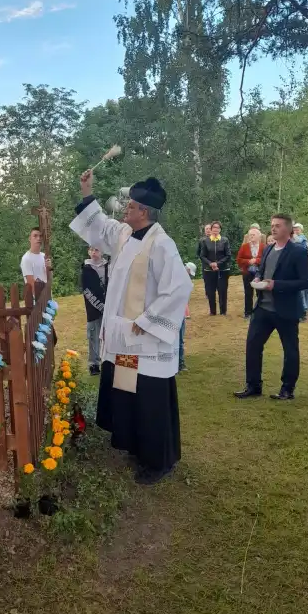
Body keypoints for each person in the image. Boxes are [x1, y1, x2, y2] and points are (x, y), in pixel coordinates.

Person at [70, 170, 192, 485]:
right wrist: (87, 192)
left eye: (132, 207)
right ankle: (137, 446)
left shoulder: (162, 245)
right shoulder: (124, 234)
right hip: (124, 339)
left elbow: (178, 289)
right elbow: (98, 226)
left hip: (146, 341)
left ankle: (159, 460)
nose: (126, 210)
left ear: (145, 212)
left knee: (150, 402)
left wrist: (147, 321)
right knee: (128, 393)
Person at [235, 214, 308, 401]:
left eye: (277, 225)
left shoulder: (298, 251)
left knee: (290, 350)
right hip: (263, 307)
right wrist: (257, 278)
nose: (273, 228)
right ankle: (253, 386)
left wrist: (276, 285)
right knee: (253, 345)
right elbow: (262, 271)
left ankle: (287, 389)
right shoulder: (269, 248)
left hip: (285, 310)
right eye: (272, 225)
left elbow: (305, 281)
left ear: (288, 228)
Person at [81, 247, 109, 376]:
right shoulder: (86, 269)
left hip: (110, 308)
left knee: (109, 336)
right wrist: (100, 306)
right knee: (93, 336)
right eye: (91, 250)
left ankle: (108, 362)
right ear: (88, 252)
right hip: (93, 309)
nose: (94, 252)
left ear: (102, 251)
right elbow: (86, 291)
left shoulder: (108, 267)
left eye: (97, 249)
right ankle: (94, 364)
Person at [199, 221, 231, 316]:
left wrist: (218, 264)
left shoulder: (225, 240)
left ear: (220, 229)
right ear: (211, 229)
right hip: (209, 270)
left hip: (222, 270)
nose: (215, 229)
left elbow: (228, 255)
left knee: (222, 290)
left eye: (218, 228)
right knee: (210, 291)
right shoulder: (205, 241)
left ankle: (223, 311)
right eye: (214, 228)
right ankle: (212, 312)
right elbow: (202, 256)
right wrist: (211, 264)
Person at [237, 227, 266, 318]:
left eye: (253, 235)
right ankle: (248, 313)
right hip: (247, 272)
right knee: (248, 292)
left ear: (259, 236)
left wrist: (256, 260)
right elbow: (239, 259)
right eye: (250, 235)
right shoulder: (244, 247)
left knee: (260, 292)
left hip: (259, 273)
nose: (251, 237)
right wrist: (248, 261)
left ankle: (260, 311)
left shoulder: (264, 247)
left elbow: (266, 259)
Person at [20, 229, 51, 293]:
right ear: (29, 238)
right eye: (35, 236)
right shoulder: (26, 258)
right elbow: (31, 285)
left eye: (40, 236)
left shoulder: (44, 256)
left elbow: (50, 280)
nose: (38, 238)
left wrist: (49, 268)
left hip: (48, 297)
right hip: (35, 300)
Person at [179, 262, 196, 372]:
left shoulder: (187, 282)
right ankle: (179, 364)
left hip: (179, 313)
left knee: (179, 340)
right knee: (178, 340)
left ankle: (179, 363)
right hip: (176, 314)